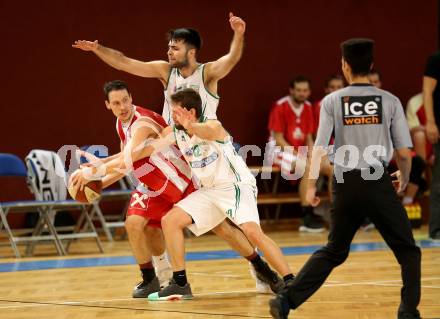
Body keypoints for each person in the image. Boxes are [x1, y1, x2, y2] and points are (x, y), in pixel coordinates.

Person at [70, 82, 285, 297]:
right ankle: (153, 278)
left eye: (126, 100)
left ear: (131, 97)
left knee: (222, 229)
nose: (123, 106)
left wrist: (94, 172)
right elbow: (128, 163)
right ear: (108, 105)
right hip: (154, 183)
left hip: (180, 180)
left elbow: (131, 157)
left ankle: (261, 267)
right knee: (134, 223)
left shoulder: (143, 122)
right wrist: (99, 184)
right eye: (117, 103)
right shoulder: (120, 124)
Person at [269, 38, 421, 319]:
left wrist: (312, 185)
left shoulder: (331, 101)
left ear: (345, 66)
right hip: (377, 183)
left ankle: (286, 301)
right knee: (408, 251)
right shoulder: (389, 101)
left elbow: (319, 149)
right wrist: (404, 177)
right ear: (372, 65)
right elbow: (403, 152)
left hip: (344, 184)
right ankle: (408, 312)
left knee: (334, 250)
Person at [72, 12, 245, 124]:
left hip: (203, 146)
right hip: (172, 145)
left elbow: (231, 59)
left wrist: (238, 34)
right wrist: (97, 49)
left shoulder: (207, 73)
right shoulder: (166, 71)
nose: (169, 52)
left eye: (175, 49)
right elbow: (124, 62)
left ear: (191, 53)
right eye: (169, 47)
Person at [268, 76, 332, 232]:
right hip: (279, 150)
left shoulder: (308, 107)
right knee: (307, 167)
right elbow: (278, 138)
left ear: (309, 92)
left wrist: (313, 153)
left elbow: (309, 137)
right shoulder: (280, 106)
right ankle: (306, 215)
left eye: (305, 90)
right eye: (298, 90)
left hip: (300, 150)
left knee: (332, 169)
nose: (302, 93)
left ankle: (337, 213)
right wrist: (300, 155)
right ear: (291, 91)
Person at [423, 50, 440, 240]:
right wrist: (430, 121)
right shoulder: (436, 59)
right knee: (439, 180)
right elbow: (427, 91)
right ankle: (436, 228)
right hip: (439, 125)